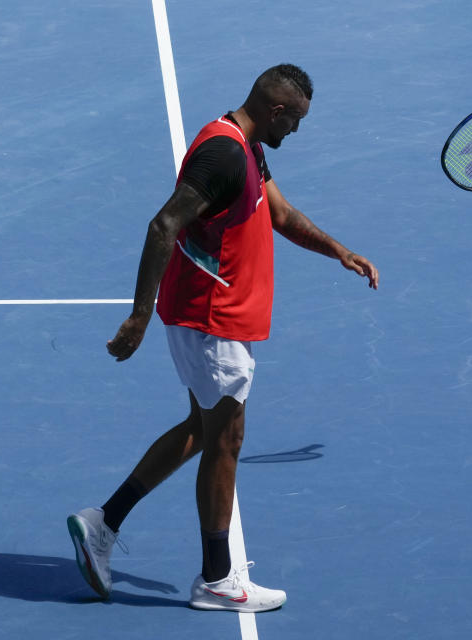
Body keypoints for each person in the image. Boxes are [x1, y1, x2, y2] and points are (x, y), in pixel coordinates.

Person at [67, 64, 379, 613]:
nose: (296, 134)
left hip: (215, 315)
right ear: (276, 110)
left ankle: (103, 522)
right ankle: (216, 579)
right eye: (296, 121)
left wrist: (338, 250)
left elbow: (279, 214)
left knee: (200, 428)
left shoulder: (246, 144)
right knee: (226, 440)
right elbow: (163, 224)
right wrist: (138, 317)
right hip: (213, 320)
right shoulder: (226, 155)